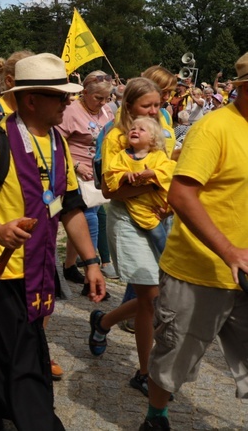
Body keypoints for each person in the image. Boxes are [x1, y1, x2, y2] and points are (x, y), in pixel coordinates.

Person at [0, 53, 106, 429]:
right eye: (60, 97)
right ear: (31, 99)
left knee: (6, 345)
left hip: (38, 267)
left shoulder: (57, 142)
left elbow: (70, 208)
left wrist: (92, 262)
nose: (68, 102)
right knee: (25, 358)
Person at [139, 53, 248, 431]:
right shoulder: (215, 128)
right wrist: (230, 250)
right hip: (199, 271)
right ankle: (156, 418)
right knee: (173, 361)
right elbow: (182, 196)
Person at [89, 77, 177, 400]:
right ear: (129, 106)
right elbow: (110, 189)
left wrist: (160, 190)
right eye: (148, 105)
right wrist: (149, 184)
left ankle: (103, 322)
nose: (155, 111)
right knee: (151, 296)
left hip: (157, 218)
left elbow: (166, 170)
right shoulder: (114, 137)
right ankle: (144, 373)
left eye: (158, 104)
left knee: (150, 298)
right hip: (127, 219)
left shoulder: (160, 126)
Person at [58, 71, 116, 282]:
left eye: (106, 98)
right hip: (76, 175)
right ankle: (91, 268)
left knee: (88, 219)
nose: (102, 103)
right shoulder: (70, 111)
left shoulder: (107, 111)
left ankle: (70, 264)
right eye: (98, 98)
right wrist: (75, 165)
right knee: (89, 219)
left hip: (96, 177)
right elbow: (56, 142)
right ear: (85, 93)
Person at [104, 116, 176, 256]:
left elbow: (170, 170)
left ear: (152, 139)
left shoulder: (158, 156)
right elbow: (112, 173)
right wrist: (125, 175)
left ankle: (171, 262)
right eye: (132, 129)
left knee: (169, 235)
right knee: (157, 236)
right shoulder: (122, 156)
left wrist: (153, 173)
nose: (135, 131)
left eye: (141, 129)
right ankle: (167, 259)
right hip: (141, 208)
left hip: (160, 204)